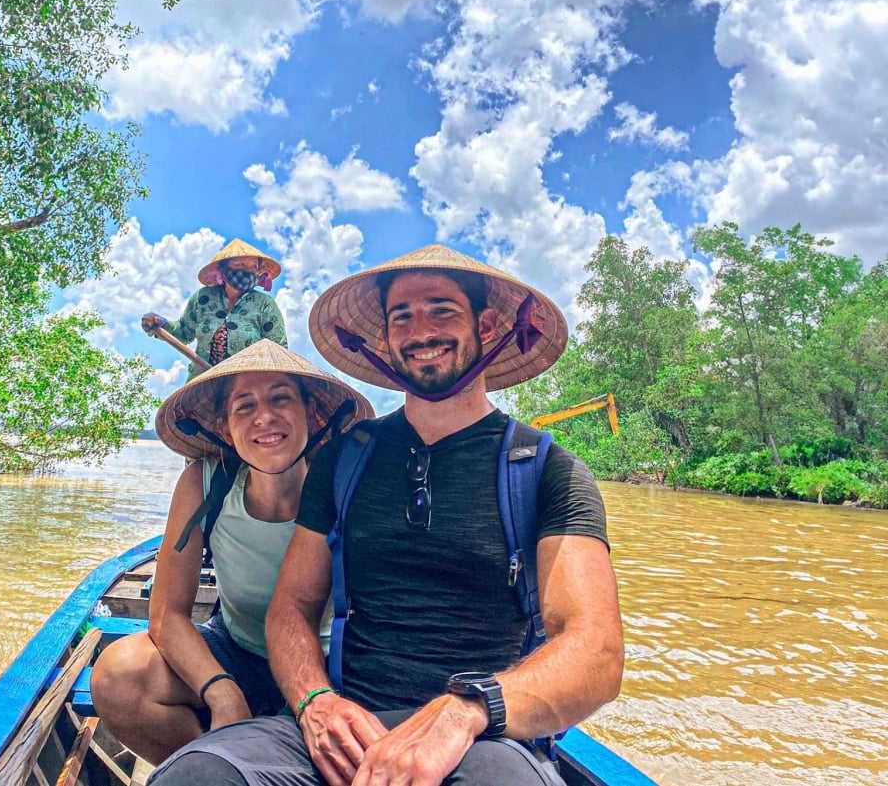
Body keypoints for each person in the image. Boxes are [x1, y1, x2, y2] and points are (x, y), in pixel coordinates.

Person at [149, 244, 625, 786]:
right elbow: (291, 609)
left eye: (442, 309)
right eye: (402, 316)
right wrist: (314, 700)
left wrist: (465, 709)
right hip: (346, 721)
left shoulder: (546, 470)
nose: (420, 329)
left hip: (481, 737)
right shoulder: (348, 457)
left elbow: (596, 650)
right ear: (385, 339)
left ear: (488, 324)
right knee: (196, 772)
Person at [92, 340, 374, 764]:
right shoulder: (207, 482)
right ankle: (211, 763)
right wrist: (222, 692)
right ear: (225, 429)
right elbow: (167, 615)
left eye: (280, 398)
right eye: (244, 406)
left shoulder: (347, 484)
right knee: (120, 676)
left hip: (332, 666)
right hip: (238, 650)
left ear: (311, 415)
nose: (264, 417)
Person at [143, 239, 287, 379]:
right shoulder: (202, 298)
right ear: (224, 269)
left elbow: (278, 349)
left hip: (248, 387)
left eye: (254, 267)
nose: (247, 271)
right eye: (240, 264)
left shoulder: (264, 304)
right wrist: (160, 324)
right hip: (203, 382)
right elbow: (183, 332)